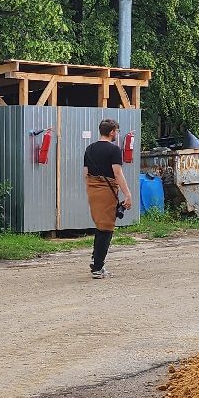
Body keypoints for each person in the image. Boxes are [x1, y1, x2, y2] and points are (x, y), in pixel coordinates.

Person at [83, 118, 130, 279]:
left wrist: (91, 189)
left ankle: (96, 258)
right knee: (106, 228)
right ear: (111, 132)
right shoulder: (114, 150)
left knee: (100, 225)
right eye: (116, 131)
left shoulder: (89, 149)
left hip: (92, 190)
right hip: (107, 191)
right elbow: (117, 173)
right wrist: (128, 194)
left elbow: (85, 174)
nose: (117, 134)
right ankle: (98, 268)